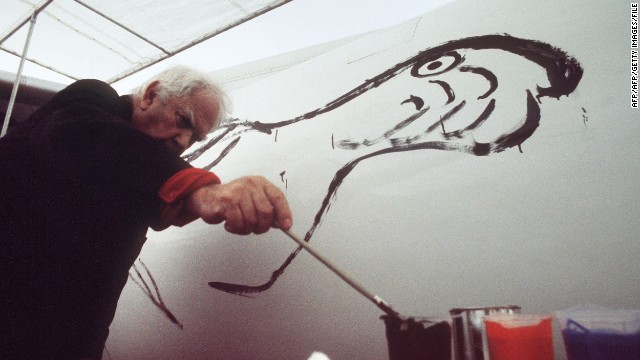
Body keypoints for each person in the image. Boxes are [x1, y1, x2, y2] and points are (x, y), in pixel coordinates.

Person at [0, 65, 292, 359]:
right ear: (151, 95)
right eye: (183, 121)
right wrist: (200, 189)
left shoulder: (140, 179)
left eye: (194, 138)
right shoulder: (90, 101)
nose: (183, 141)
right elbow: (86, 137)